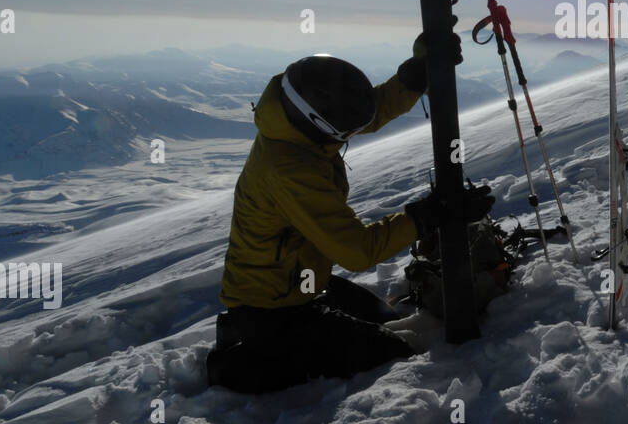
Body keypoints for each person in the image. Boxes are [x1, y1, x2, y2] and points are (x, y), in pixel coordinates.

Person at [206, 32, 493, 394]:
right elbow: (357, 251)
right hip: (273, 305)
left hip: (297, 282)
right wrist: (426, 216)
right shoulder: (290, 170)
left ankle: (251, 330)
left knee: (388, 320)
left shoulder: (295, 120)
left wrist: (415, 75)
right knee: (393, 354)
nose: (354, 132)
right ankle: (238, 360)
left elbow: (365, 112)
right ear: (320, 124)